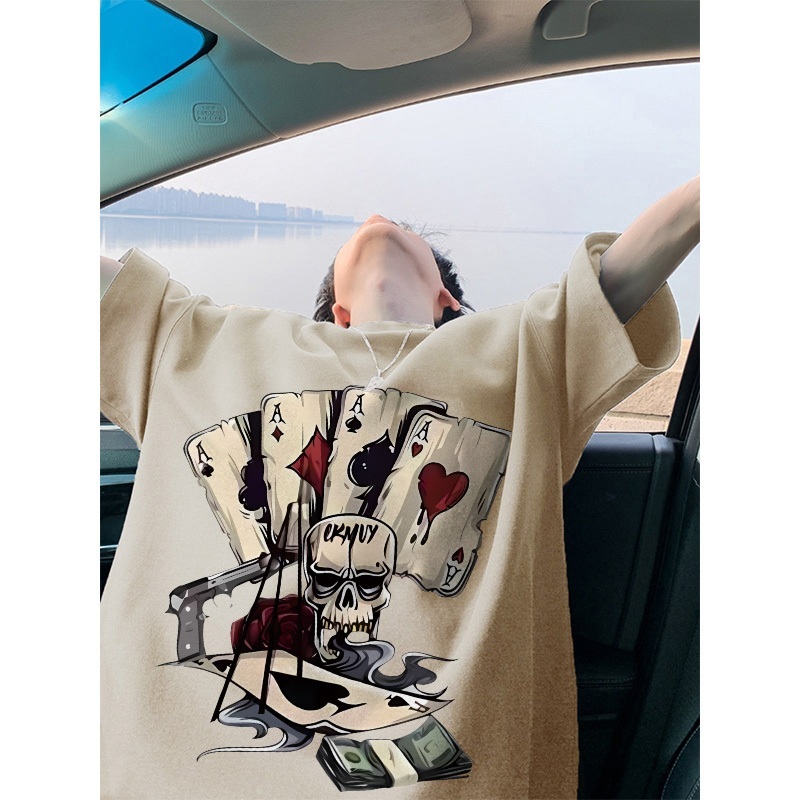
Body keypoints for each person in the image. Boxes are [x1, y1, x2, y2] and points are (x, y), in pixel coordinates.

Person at [100, 176, 699, 800]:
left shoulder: (527, 353)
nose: (376, 215)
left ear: (447, 301)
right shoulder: (197, 340)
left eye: (407, 233)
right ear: (338, 313)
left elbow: (626, 274)